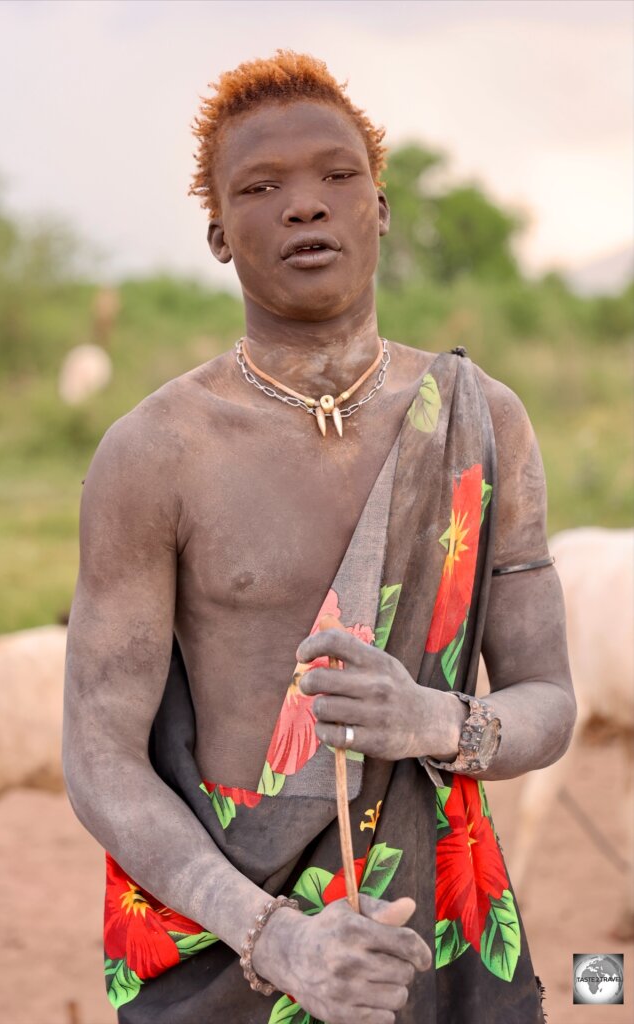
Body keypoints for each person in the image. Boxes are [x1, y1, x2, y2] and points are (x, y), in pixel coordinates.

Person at [63, 50, 575, 1024]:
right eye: (261, 186)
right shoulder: (152, 452)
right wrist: (275, 937)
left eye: (337, 176)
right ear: (217, 232)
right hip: (231, 934)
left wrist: (433, 721)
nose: (305, 204)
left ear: (378, 208)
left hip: (427, 924)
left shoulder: (481, 420)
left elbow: (547, 698)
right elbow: (99, 755)